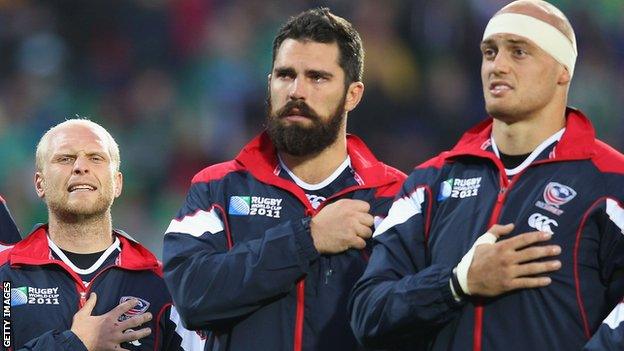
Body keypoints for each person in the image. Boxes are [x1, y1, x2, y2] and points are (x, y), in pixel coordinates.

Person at [349, 1, 624, 350]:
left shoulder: (611, 183)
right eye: (490, 52)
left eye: (519, 52)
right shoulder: (428, 184)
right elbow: (367, 312)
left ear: (562, 71)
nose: (498, 65)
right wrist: (456, 283)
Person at [162, 7, 406, 351]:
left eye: (317, 77)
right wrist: (308, 239)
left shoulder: (397, 198)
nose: (296, 91)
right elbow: (190, 296)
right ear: (270, 82)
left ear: (353, 94)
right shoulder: (216, 188)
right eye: (285, 75)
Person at [0, 119, 204, 350]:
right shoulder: (5, 276)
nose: (80, 167)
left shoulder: (165, 286)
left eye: (96, 158)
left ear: (117, 183)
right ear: (40, 184)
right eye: (65, 158)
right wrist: (76, 343)